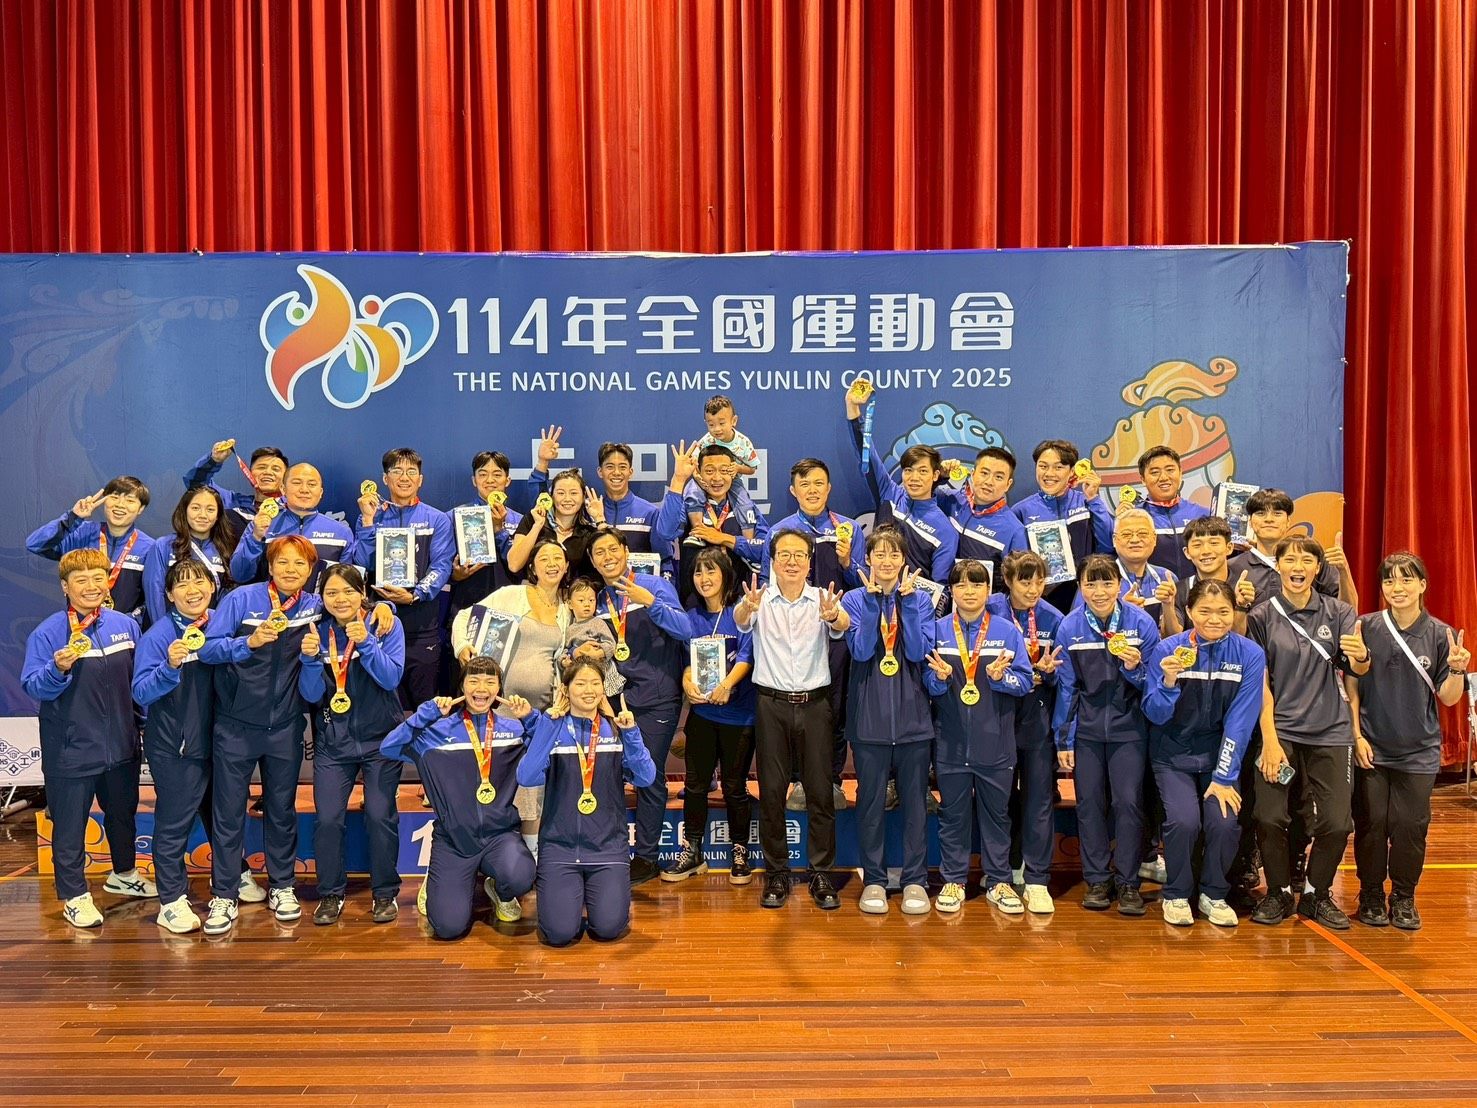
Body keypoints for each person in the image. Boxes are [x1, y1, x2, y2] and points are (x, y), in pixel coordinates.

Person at [21, 548, 155, 928]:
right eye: (81, 580)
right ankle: (74, 895)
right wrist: (57, 669)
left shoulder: (125, 626)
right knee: (70, 827)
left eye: (98, 578)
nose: (91, 586)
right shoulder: (48, 633)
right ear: (65, 586)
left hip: (122, 747)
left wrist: (142, 726)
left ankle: (124, 874)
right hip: (71, 750)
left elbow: (136, 683)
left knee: (122, 816)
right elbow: (33, 685)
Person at [199, 534, 324, 935]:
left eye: (300, 564)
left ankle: (282, 886)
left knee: (281, 810)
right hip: (235, 726)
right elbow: (207, 649)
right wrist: (247, 642)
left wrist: (384, 609)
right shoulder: (241, 600)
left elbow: (355, 605)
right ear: (269, 566)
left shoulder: (314, 606)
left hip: (285, 727)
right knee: (228, 813)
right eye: (283, 562)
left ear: (310, 570)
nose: (291, 570)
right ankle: (224, 893)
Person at [1247, 535, 1370, 928]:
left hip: (1331, 732)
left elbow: (1356, 668)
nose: (1297, 567)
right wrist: (1269, 740)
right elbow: (1260, 684)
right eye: (1290, 559)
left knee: (1337, 822)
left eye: (1306, 560)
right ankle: (1279, 892)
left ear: (1318, 569)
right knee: (1269, 817)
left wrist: (1362, 657)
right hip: (1281, 731)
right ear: (1278, 566)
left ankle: (1316, 894)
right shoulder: (1261, 616)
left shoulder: (1339, 612)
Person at [1349, 553, 1469, 930]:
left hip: (1419, 750)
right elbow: (1351, 686)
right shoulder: (1366, 626)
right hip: (1371, 747)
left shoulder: (1439, 634)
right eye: (1389, 581)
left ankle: (1403, 897)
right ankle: (1370, 894)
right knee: (1371, 824)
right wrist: (1356, 736)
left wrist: (1457, 670)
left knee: (1410, 827)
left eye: (1405, 580)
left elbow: (1448, 697)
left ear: (1422, 585)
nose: (1396, 588)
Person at [734, 529, 851, 910]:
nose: (792, 561)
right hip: (772, 705)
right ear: (773, 560)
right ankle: (777, 873)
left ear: (809, 561)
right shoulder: (758, 598)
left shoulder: (822, 599)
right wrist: (746, 608)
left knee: (820, 792)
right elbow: (740, 620)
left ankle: (821, 873)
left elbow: (842, 623)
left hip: (815, 706)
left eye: (799, 554)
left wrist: (834, 616)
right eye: (784, 554)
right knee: (771, 793)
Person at [381, 658, 537, 938]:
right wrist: (425, 715)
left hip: (499, 837)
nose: (481, 688)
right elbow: (388, 747)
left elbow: (547, 747)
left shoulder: (514, 731)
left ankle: (500, 891)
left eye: (490, 681)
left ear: (499, 689)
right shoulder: (435, 732)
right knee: (448, 927)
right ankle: (436, 878)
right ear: (462, 687)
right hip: (454, 841)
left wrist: (530, 718)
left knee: (521, 876)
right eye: (473, 681)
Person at [1142, 579, 1267, 927]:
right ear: (1189, 611)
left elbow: (1241, 721)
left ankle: (1214, 893)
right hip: (1172, 755)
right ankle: (1177, 894)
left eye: (1223, 611)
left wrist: (1224, 777)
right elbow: (1154, 713)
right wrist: (1168, 682)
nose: (1214, 619)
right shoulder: (1168, 649)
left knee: (1224, 823)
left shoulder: (1250, 654)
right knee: (1184, 822)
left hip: (1218, 757)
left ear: (1234, 612)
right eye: (1205, 611)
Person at [132, 559, 247, 933]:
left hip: (223, 742)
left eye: (199, 581)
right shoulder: (158, 636)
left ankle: (231, 877)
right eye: (181, 585)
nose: (192, 590)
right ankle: (171, 901)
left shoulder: (221, 625)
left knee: (222, 816)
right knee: (173, 825)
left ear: (213, 587)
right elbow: (141, 692)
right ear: (169, 595)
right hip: (176, 747)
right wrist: (169, 666)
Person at [514, 658, 657, 946]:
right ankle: (568, 901)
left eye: (595, 683)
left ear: (604, 689)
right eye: (580, 683)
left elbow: (645, 778)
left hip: (607, 849)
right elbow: (526, 777)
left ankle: (588, 898)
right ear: (565, 689)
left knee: (609, 929)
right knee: (558, 934)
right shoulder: (552, 729)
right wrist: (548, 725)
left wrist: (631, 733)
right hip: (560, 849)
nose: (588, 690)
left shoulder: (616, 729)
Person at [1052, 554, 1161, 914]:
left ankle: (1128, 882)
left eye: (1106, 582)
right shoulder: (1069, 627)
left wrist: (1134, 668)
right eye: (1090, 583)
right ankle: (1097, 879)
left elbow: (1155, 684)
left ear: (1119, 585)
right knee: (1089, 805)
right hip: (1086, 732)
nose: (1099, 591)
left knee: (1128, 804)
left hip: (1130, 730)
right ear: (1081, 587)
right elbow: (1067, 688)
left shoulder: (1141, 624)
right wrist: (1064, 739)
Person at [298, 564, 407, 925]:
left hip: (381, 742)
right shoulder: (317, 632)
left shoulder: (385, 624)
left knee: (379, 814)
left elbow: (391, 678)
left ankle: (385, 893)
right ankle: (330, 893)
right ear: (322, 598)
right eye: (332, 593)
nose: (340, 599)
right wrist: (309, 661)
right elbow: (311, 695)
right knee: (328, 819)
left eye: (348, 591)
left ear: (362, 593)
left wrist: (367, 643)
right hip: (334, 743)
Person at [925, 559, 1034, 915]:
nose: (969, 591)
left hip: (996, 744)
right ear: (952, 591)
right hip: (951, 743)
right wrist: (939, 679)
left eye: (976, 584)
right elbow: (926, 684)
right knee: (953, 816)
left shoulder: (1006, 631)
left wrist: (1002, 678)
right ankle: (954, 880)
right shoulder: (937, 631)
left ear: (989, 590)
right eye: (961, 585)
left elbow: (1025, 681)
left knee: (997, 816)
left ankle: (999, 881)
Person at [839, 526, 937, 915]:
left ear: (903, 560)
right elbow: (862, 651)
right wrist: (871, 602)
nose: (886, 561)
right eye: (879, 554)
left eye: (894, 554)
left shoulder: (921, 599)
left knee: (915, 806)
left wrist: (907, 605)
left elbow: (916, 651)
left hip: (914, 721)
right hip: (869, 721)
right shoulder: (853, 598)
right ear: (867, 560)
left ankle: (915, 880)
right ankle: (875, 881)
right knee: (870, 806)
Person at [586, 525, 692, 884]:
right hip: (612, 702)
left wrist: (651, 603)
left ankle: (646, 857)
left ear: (625, 551)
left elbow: (685, 629)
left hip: (656, 699)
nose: (607, 557)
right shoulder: (597, 599)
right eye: (599, 553)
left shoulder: (655, 585)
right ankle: (611, 851)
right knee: (608, 775)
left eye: (612, 549)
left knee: (650, 776)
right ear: (592, 561)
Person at [761, 458, 865, 813]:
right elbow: (769, 588)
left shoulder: (848, 529)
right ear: (793, 491)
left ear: (829, 488)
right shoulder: (780, 532)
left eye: (818, 483)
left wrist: (849, 562)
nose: (812, 490)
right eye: (804, 484)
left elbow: (862, 587)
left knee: (832, 708)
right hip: (793, 638)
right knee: (793, 710)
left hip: (836, 634)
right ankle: (798, 781)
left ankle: (831, 779)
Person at [664, 546, 757, 885]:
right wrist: (687, 681)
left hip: (739, 715)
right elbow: (686, 661)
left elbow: (747, 655)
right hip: (702, 714)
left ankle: (740, 851)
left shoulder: (740, 611)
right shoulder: (690, 617)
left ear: (725, 575)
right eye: (698, 572)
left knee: (734, 786)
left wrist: (728, 684)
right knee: (695, 785)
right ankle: (693, 851)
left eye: (710, 571)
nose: (703, 578)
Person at [987, 551, 1067, 909]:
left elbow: (1064, 678)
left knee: (1038, 800)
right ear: (1008, 581)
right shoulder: (989, 610)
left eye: (1039, 581)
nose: (1034, 589)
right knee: (998, 800)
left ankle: (1036, 879)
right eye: (1025, 581)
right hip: (997, 716)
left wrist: (1048, 674)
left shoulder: (1054, 618)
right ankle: (1000, 871)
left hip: (1037, 718)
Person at [350, 447, 454, 708]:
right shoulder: (370, 516)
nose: (404, 477)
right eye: (397, 471)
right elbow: (361, 564)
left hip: (422, 625)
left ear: (420, 479)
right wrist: (368, 521)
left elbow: (441, 565)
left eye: (411, 472)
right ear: (385, 479)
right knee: (384, 704)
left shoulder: (437, 519)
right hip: (379, 622)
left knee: (424, 706)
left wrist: (415, 595)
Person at [844, 388, 957, 581]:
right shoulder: (889, 493)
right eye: (908, 470)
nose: (914, 478)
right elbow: (867, 452)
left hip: (914, 600)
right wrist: (853, 408)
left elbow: (940, 588)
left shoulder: (945, 531)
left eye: (923, 471)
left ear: (936, 475)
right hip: (873, 594)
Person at [529, 434, 672, 576]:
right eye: (610, 467)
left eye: (622, 467)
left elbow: (665, 561)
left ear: (631, 472)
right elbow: (542, 504)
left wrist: (665, 587)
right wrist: (542, 463)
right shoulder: (587, 511)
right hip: (593, 588)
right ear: (600, 472)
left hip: (636, 588)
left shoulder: (650, 512)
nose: (616, 473)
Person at [27, 477, 155, 623]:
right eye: (114, 497)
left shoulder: (149, 548)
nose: (120, 505)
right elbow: (35, 544)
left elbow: (153, 598)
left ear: (141, 508)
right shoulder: (80, 534)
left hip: (125, 630)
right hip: (78, 628)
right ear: (104, 500)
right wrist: (72, 518)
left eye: (130, 500)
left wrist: (129, 621)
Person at [658, 442, 770, 608]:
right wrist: (679, 480)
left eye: (724, 471)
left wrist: (725, 539)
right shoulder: (690, 505)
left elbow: (765, 550)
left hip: (739, 604)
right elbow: (666, 532)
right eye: (709, 471)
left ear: (733, 473)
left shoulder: (746, 509)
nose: (717, 478)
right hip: (696, 606)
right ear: (699, 473)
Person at [1011, 440, 1114, 611]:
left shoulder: (1086, 502)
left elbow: (1107, 545)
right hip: (1040, 598)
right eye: (1043, 466)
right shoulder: (1021, 510)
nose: (1049, 473)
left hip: (1085, 595)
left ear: (1072, 471)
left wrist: (1094, 499)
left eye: (1058, 467)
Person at [229, 462, 352, 593]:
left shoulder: (341, 532)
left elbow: (348, 583)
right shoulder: (261, 525)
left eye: (312, 484)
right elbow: (239, 575)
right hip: (270, 605)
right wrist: (255, 538)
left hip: (320, 605)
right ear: (283, 489)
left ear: (321, 492)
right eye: (297, 483)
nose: (304, 490)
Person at [1228, 488, 1358, 611]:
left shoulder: (1313, 560)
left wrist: (1344, 570)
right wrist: (1241, 605)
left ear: (1288, 521)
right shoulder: (1233, 566)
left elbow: (1348, 611)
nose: (1269, 519)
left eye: (1277, 513)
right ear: (1250, 522)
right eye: (1261, 513)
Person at [936, 446, 1028, 590]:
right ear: (973, 474)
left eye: (998, 477)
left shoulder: (1014, 531)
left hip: (980, 602)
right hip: (941, 595)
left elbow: (1018, 585)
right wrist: (939, 477)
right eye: (984, 473)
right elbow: (918, 497)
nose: (989, 482)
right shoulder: (951, 500)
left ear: (1008, 484)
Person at [448, 450, 523, 625]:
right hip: (465, 609)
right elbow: (440, 563)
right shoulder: (453, 517)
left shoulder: (520, 521)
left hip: (509, 612)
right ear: (474, 480)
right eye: (483, 474)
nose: (490, 480)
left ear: (507, 480)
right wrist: (454, 575)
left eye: (497, 474)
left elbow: (519, 567)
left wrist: (499, 531)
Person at [142, 485, 236, 623]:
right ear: (184, 510)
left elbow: (226, 595)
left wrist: (216, 628)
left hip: (211, 628)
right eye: (195, 508)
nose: (202, 515)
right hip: (173, 629)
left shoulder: (226, 550)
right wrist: (166, 629)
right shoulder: (163, 546)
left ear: (218, 515)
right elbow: (155, 594)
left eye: (210, 510)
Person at [183, 439, 289, 541]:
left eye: (276, 469)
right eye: (261, 467)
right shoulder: (233, 503)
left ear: (286, 477)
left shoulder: (292, 509)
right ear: (250, 473)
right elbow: (196, 484)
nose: (268, 472)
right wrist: (213, 461)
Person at [507, 465, 602, 578]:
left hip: (573, 589)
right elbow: (514, 565)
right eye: (561, 493)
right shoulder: (532, 520)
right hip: (535, 588)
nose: (567, 499)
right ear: (551, 496)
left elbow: (609, 561)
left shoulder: (588, 532)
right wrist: (537, 526)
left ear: (583, 497)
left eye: (574, 493)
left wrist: (599, 519)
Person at [1131, 447, 1210, 581]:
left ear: (1180, 473)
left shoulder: (1202, 514)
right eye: (1155, 472)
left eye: (1170, 470)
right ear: (1143, 479)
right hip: (1155, 591)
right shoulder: (1134, 518)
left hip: (1198, 590)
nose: (1164, 477)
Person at [1102, 507, 1178, 632]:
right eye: (1126, 534)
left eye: (1142, 534)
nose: (1135, 540)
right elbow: (1082, 632)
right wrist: (1119, 612)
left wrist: (1168, 606)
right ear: (1114, 540)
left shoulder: (1167, 578)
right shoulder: (1098, 580)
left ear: (1154, 539)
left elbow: (1174, 636)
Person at [1164, 516, 1243, 636]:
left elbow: (1242, 641)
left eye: (1214, 543)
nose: (1206, 551)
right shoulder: (1178, 591)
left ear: (1229, 548)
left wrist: (1242, 606)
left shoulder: (1246, 589)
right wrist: (1167, 605)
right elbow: (1172, 638)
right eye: (1197, 545)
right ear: (1187, 552)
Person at [562, 577, 625, 699]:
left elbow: (611, 644)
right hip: (579, 671)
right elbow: (565, 650)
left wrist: (599, 653)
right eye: (581, 600)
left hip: (602, 669)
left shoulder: (598, 622)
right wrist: (564, 661)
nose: (587, 604)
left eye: (591, 600)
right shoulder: (569, 628)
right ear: (569, 604)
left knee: (602, 699)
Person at [694, 393, 760, 476]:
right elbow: (695, 455)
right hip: (708, 478)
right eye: (711, 425)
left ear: (734, 421)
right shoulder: (707, 440)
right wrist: (695, 463)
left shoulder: (743, 443)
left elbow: (752, 469)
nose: (717, 429)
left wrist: (738, 468)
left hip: (733, 479)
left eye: (721, 423)